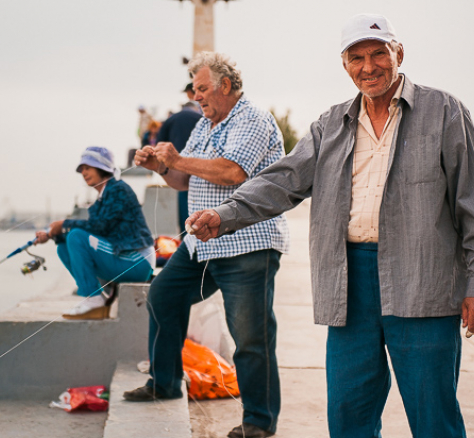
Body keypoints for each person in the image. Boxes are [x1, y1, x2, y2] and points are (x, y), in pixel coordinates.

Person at [186, 14, 474, 438]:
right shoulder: (331, 124)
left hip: (424, 280)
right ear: (345, 64)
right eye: (357, 58)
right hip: (348, 281)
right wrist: (224, 214)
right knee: (348, 411)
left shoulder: (443, 111)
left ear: (399, 54)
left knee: (434, 413)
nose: (369, 66)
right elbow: (283, 180)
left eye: (378, 54)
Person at [124, 51, 289, 438]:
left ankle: (259, 422)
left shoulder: (252, 119)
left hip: (247, 242)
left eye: (201, 89)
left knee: (250, 335)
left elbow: (233, 172)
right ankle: (164, 382)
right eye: (193, 90)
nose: (196, 97)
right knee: (162, 296)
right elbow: (185, 181)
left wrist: (178, 159)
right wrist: (162, 168)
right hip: (202, 243)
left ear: (225, 86)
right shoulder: (204, 126)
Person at [34, 146, 155, 320]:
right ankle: (97, 296)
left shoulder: (118, 189)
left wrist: (63, 224)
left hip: (137, 261)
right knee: (64, 246)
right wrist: (53, 235)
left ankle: (94, 297)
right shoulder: (100, 200)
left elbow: (101, 227)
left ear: (102, 168)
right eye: (82, 169)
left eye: (88, 168)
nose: (84, 173)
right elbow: (96, 230)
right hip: (122, 257)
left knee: (75, 235)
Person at [157, 98, 202, 232]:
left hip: (176, 165)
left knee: (183, 195)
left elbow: (159, 143)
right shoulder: (200, 117)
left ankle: (185, 233)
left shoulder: (171, 119)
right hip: (199, 164)